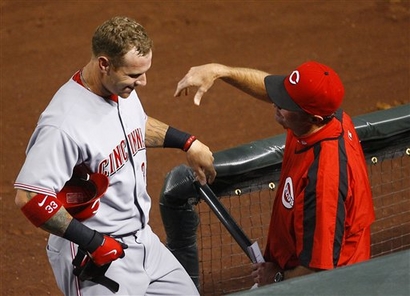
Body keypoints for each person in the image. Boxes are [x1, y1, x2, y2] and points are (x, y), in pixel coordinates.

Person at [14, 16, 216, 296]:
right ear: (104, 64)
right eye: (134, 75)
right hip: (96, 251)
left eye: (144, 72)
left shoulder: (119, 88)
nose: (142, 82)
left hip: (144, 240)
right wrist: (94, 242)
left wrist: (187, 143)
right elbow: (30, 197)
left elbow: (136, 126)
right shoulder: (63, 123)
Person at [174, 61, 375, 286]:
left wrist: (277, 278)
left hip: (332, 286)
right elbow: (273, 89)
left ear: (313, 118)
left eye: (286, 103)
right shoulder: (325, 115)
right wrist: (221, 72)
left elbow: (320, 269)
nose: (276, 103)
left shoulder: (323, 179)